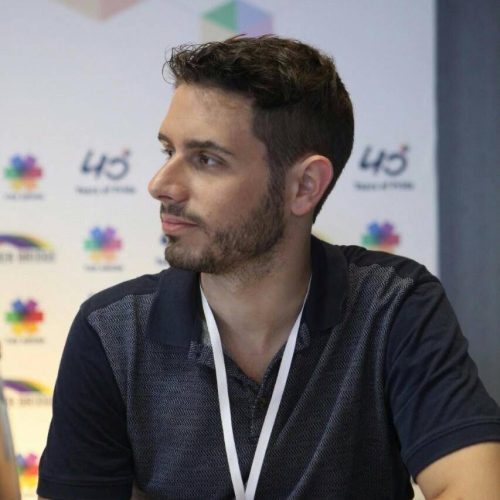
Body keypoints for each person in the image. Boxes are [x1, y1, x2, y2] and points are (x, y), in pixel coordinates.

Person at [37, 36, 500, 499]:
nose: (161, 184)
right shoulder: (112, 330)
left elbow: (473, 486)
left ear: (305, 186)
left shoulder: (392, 305)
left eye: (206, 159)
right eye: (167, 151)